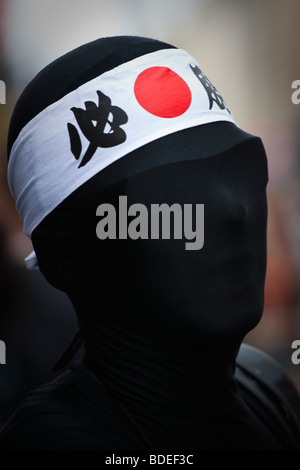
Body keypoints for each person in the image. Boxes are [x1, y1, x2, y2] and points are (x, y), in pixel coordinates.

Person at [0, 35, 288, 450]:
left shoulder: (267, 387)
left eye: (239, 171)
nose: (232, 212)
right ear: (65, 254)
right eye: (171, 195)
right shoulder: (52, 443)